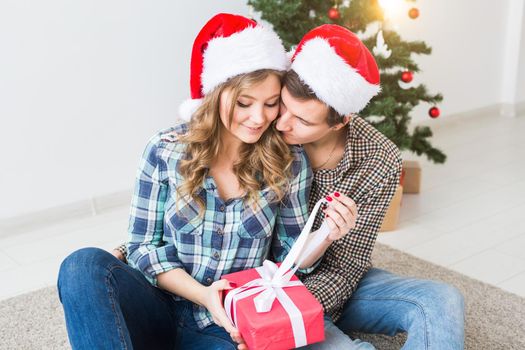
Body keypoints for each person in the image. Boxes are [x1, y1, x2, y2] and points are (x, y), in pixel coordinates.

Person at [57, 14, 350, 350]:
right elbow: (142, 247)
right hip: (155, 305)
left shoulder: (289, 162)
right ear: (215, 94)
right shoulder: (165, 150)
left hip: (225, 325)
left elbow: (289, 261)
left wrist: (327, 233)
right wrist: (203, 295)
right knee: (81, 265)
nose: (259, 118)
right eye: (244, 103)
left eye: (271, 104)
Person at [279, 25, 465, 349]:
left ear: (341, 121)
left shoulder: (379, 158)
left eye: (303, 121)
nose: (282, 123)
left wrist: (305, 310)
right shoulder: (264, 129)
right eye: (283, 106)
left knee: (442, 301)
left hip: (335, 284)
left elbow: (346, 268)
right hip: (269, 287)